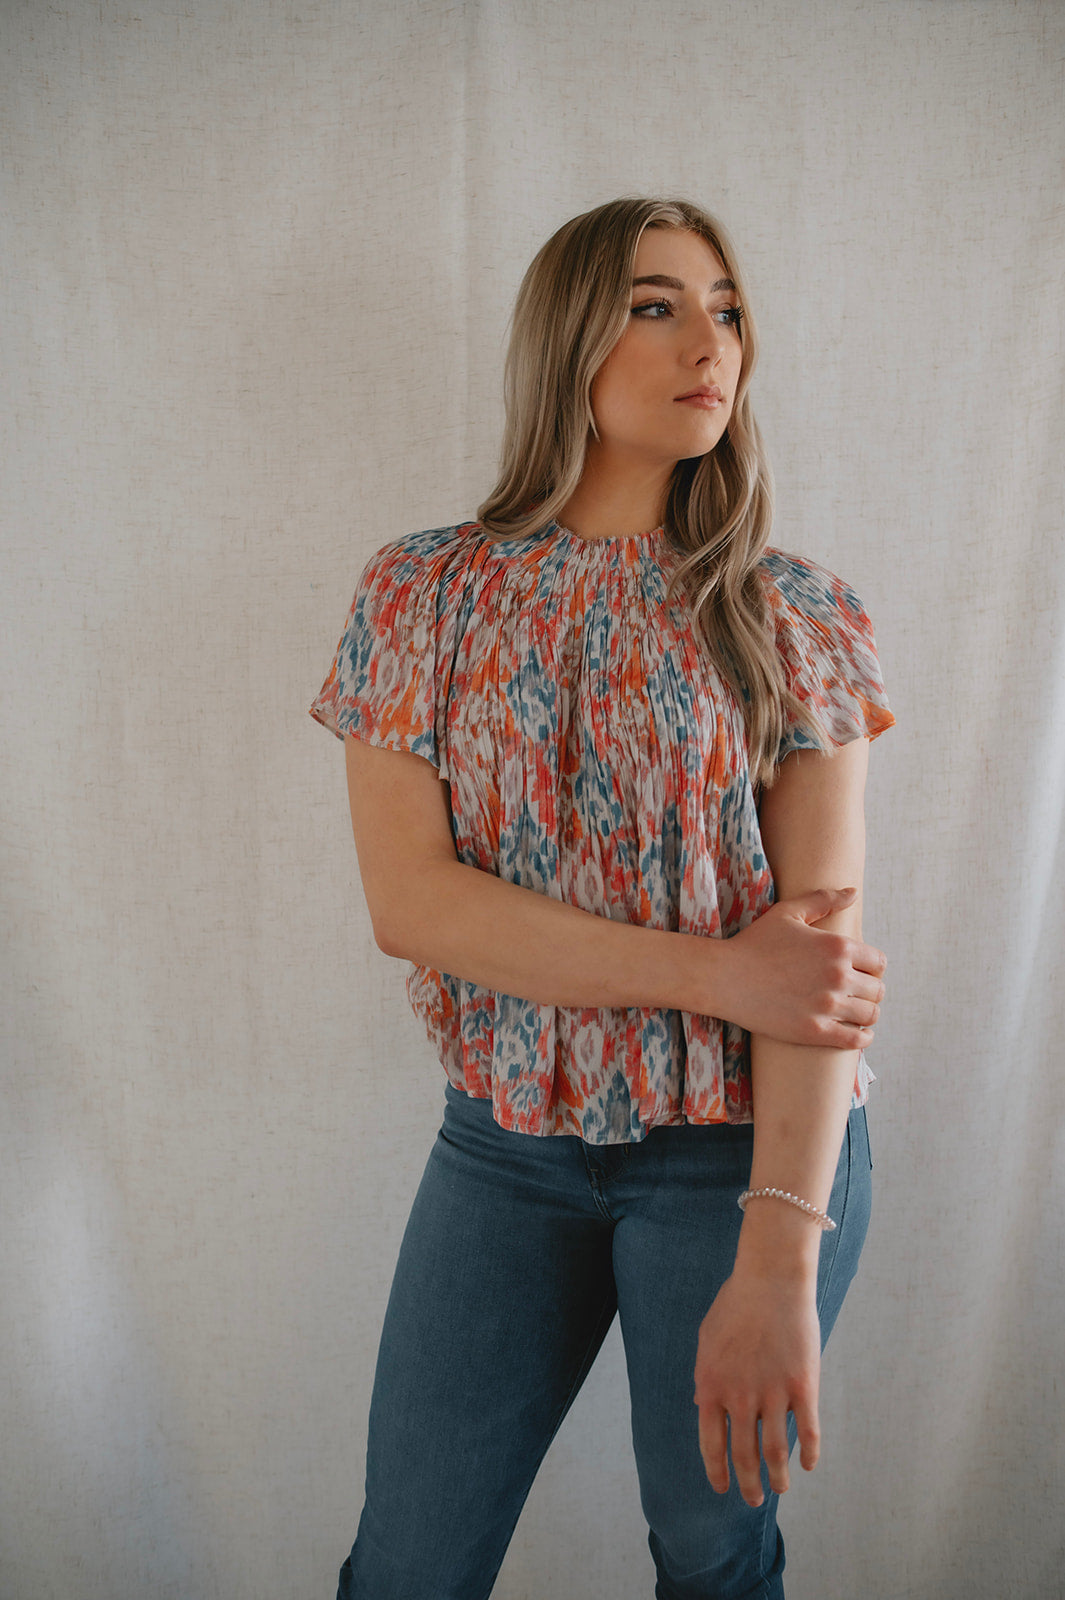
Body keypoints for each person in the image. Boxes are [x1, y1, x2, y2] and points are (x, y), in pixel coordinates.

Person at [310, 196, 895, 1600]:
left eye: (727, 309)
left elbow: (812, 980)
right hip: (502, 1146)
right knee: (408, 1563)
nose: (711, 342)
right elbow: (414, 906)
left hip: (740, 1158)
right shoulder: (423, 593)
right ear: (566, 337)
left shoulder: (792, 614)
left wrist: (777, 1259)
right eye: (656, 305)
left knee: (710, 1554)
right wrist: (714, 972)